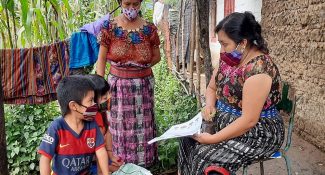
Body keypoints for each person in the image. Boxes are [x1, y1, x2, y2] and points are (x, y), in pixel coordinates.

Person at [178, 11, 285, 175]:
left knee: (203, 155)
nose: (222, 50)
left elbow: (249, 120)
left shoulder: (259, 69)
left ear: (242, 42)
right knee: (187, 141)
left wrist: (213, 139)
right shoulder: (229, 60)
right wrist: (209, 105)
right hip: (227, 123)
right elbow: (211, 88)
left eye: (224, 44)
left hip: (257, 134)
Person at [96, 0, 161, 167]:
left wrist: (137, 68)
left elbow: (157, 56)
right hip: (117, 87)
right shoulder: (110, 27)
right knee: (119, 127)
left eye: (135, 3)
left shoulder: (149, 29)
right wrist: (99, 87)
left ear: (140, 3)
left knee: (143, 128)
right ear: (120, 2)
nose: (131, 8)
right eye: (127, 3)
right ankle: (120, 166)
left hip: (143, 87)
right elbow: (102, 59)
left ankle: (142, 167)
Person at [38, 75, 110, 175]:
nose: (95, 104)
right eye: (91, 100)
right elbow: (45, 159)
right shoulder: (56, 127)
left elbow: (101, 151)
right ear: (74, 106)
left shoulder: (92, 125)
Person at [85, 74, 124, 173]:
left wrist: (111, 155)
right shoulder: (89, 119)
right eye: (104, 97)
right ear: (92, 99)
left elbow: (108, 133)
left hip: (101, 154)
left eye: (109, 94)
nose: (108, 98)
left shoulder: (103, 114)